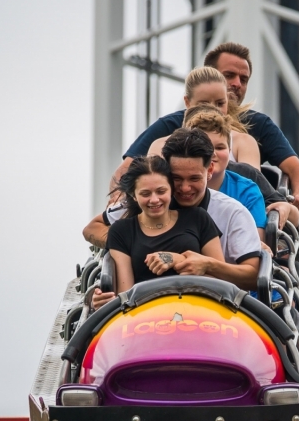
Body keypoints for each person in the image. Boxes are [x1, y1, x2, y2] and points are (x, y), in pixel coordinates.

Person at [112, 42, 299, 216]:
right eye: (229, 75)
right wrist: (118, 206)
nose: (236, 83)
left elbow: (256, 188)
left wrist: (295, 204)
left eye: (243, 79)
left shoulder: (250, 136)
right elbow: (133, 173)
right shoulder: (166, 131)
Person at [84, 128, 262, 308]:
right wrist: (127, 245)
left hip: (207, 308)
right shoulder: (145, 204)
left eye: (194, 178)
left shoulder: (227, 213)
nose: (185, 188)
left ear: (209, 170)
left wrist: (205, 264)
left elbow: (253, 277)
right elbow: (93, 229)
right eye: (177, 178)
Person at [90, 156, 224, 309]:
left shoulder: (198, 218)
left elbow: (221, 281)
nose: (154, 200)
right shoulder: (121, 231)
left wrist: (178, 260)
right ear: (134, 195)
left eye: (161, 191)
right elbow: (126, 296)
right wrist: (100, 300)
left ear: (171, 190)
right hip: (147, 317)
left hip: (201, 311)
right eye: (145, 194)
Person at [166, 105, 299, 231]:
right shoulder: (170, 183)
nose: (213, 153)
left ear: (229, 150)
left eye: (220, 147)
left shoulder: (246, 181)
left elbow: (287, 218)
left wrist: (286, 208)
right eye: (206, 147)